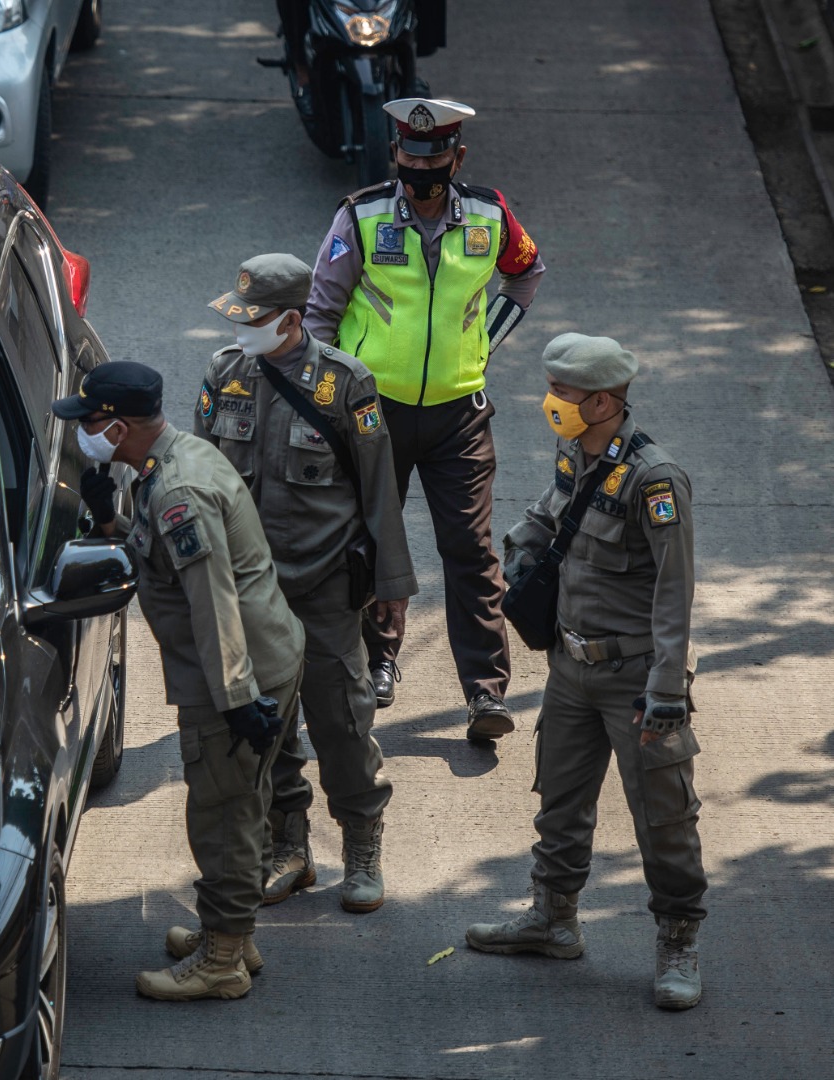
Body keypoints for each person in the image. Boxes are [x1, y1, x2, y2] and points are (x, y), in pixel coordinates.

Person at [465, 333, 705, 1011]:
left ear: (601, 400)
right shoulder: (575, 450)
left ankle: (678, 939)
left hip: (635, 680)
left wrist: (666, 690)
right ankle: (552, 920)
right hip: (570, 668)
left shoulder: (655, 481)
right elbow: (550, 512)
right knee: (559, 801)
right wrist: (521, 550)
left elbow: (673, 591)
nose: (551, 401)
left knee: (663, 816)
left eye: (563, 392)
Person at [60, 361, 305, 1001]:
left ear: (119, 425)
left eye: (89, 423)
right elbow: (161, 559)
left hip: (234, 673)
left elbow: (212, 601)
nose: (82, 434)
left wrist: (235, 701)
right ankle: (233, 932)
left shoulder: (177, 493)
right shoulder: (172, 462)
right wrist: (109, 522)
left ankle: (222, 962)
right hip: (260, 656)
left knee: (221, 814)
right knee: (242, 805)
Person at [305, 96, 546, 740]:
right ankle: (378, 663)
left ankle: (486, 692)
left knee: (469, 549)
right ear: (394, 156)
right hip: (370, 414)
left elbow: (525, 275)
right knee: (372, 543)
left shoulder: (491, 215)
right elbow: (320, 314)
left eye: (435, 155)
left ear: (457, 157)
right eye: (411, 155)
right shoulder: (360, 216)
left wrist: (484, 341)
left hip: (458, 415)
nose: (422, 167)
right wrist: (328, 395)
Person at [195, 254, 415, 914]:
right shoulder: (224, 373)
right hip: (249, 587)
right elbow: (200, 471)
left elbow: (379, 490)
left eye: (252, 319)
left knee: (342, 720)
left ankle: (361, 841)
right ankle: (288, 848)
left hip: (321, 583)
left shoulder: (346, 384)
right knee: (266, 725)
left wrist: (391, 585)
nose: (238, 328)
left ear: (290, 321)